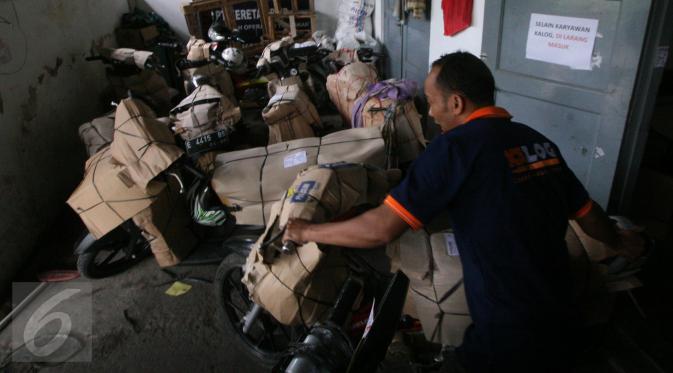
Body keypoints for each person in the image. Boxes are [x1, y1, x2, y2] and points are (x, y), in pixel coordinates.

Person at [283, 51, 643, 372]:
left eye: (432, 101)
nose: (429, 112)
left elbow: (380, 230)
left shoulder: (454, 149)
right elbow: (589, 213)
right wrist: (620, 242)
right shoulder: (537, 141)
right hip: (563, 312)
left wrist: (307, 232)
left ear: (456, 103)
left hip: (506, 332)